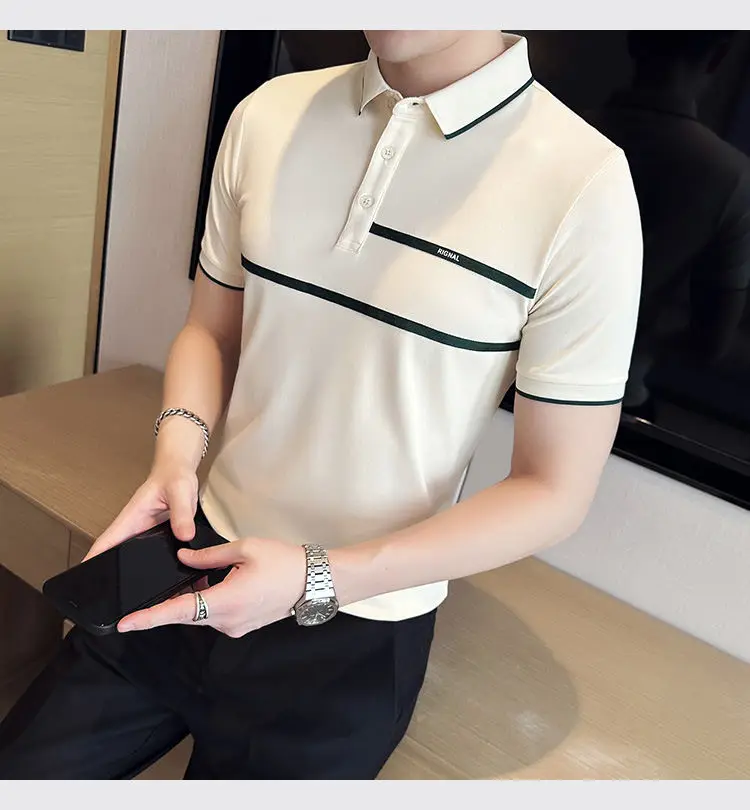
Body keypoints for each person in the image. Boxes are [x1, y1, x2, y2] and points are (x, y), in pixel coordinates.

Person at [0, 30, 642, 779]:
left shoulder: (584, 184)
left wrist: (319, 578)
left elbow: (554, 490)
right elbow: (212, 330)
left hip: (353, 637)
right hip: (190, 553)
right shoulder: (269, 112)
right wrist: (175, 456)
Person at [586, 31, 750, 419]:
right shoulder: (731, 177)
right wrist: (640, 340)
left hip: (499, 374)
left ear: (633, 39)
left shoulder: (555, 132)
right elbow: (710, 342)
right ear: (718, 56)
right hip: (616, 398)